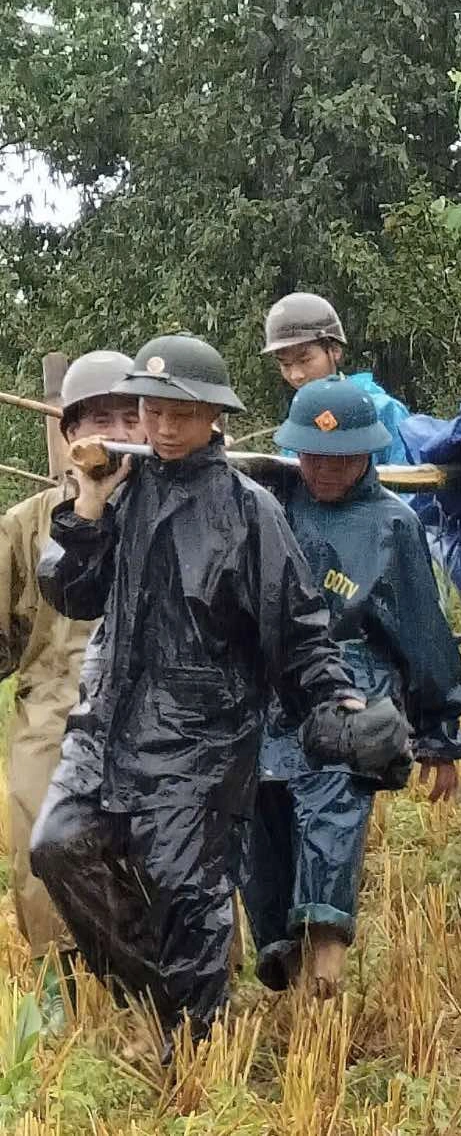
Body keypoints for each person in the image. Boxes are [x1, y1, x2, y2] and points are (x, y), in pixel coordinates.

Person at [27, 334, 381, 1057]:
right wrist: (88, 508)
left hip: (202, 739)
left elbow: (299, 629)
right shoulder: (123, 490)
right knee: (58, 848)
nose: (160, 425)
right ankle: (169, 1006)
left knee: (187, 895)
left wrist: (334, 699)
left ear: (213, 416)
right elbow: (72, 591)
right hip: (106, 722)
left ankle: (188, 1052)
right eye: (150, 408)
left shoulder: (249, 512)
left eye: (178, 412)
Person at [241, 378, 461, 997]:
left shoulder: (393, 527)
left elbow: (424, 633)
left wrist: (440, 736)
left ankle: (325, 969)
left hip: (353, 700)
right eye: (311, 455)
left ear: (367, 453)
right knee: (261, 837)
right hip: (269, 704)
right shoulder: (270, 504)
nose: (322, 468)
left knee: (332, 824)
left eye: (339, 456)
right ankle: (281, 960)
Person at [1, 352, 142, 1007]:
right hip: (54, 710)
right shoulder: (26, 526)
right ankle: (61, 992)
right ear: (70, 433)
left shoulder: (182, 510)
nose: (114, 430)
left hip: (152, 709)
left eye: (127, 415)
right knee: (36, 827)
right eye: (98, 418)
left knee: (170, 841)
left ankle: (173, 992)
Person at [262, 291, 412, 466]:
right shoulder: (299, 420)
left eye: (305, 360)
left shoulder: (383, 410)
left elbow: (409, 486)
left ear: (335, 351)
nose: (296, 375)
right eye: (286, 365)